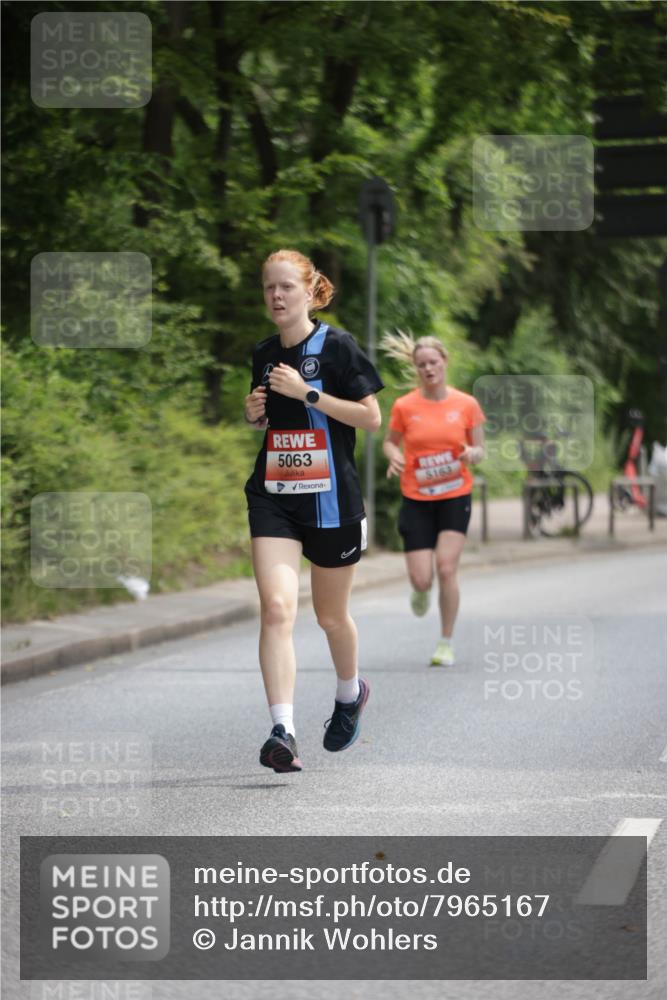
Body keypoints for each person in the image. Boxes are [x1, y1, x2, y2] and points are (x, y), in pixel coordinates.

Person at [244, 249, 384, 773]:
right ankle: (283, 730)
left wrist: (309, 394)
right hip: (274, 496)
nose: (276, 297)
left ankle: (350, 694)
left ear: (308, 291)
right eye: (268, 288)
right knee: (278, 609)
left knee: (330, 617)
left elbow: (370, 419)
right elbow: (266, 419)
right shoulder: (261, 352)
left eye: (285, 287)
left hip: (331, 502)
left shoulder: (338, 346)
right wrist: (253, 413)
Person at [382, 331, 485, 667]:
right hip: (416, 497)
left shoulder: (466, 405)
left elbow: (481, 448)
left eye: (433, 362)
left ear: (444, 362)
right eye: (422, 364)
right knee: (422, 577)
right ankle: (420, 588)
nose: (428, 368)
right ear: (416, 368)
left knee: (446, 567)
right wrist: (393, 456)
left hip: (455, 494)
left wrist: (472, 452)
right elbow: (390, 442)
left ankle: (445, 641)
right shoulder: (404, 406)